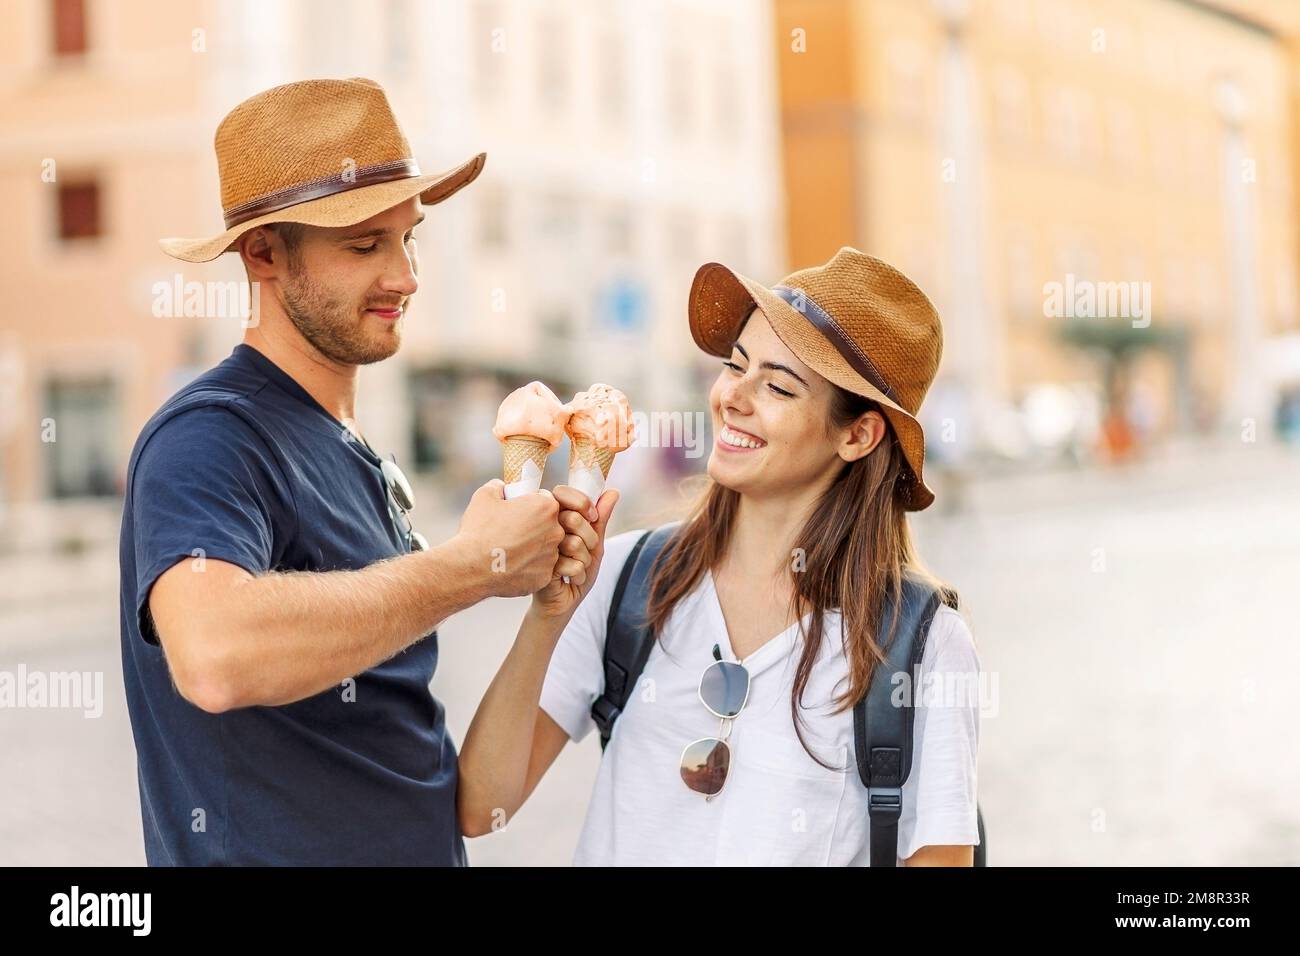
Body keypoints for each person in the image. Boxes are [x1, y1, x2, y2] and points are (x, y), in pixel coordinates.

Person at [119, 77, 602, 865]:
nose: (406, 276)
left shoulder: (358, 453)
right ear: (264, 253)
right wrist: (472, 565)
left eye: (408, 237)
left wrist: (546, 607)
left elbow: (471, 806)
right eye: (363, 245)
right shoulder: (209, 435)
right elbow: (211, 657)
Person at [458, 247, 982, 866]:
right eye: (735, 365)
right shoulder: (624, 578)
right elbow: (480, 805)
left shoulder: (920, 643)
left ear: (857, 434)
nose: (734, 396)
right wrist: (548, 617)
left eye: (778, 386)